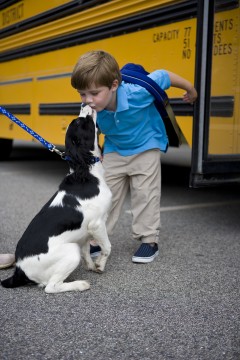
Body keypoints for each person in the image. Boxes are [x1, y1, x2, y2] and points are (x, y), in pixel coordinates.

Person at [71, 50, 197, 264]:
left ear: (113, 85)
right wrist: (97, 153)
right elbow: (91, 134)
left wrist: (191, 90)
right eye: (83, 94)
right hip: (115, 150)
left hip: (146, 146)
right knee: (105, 195)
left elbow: (163, 75)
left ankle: (149, 240)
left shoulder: (138, 92)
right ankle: (95, 239)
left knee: (145, 194)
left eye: (93, 93)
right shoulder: (90, 109)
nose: (88, 100)